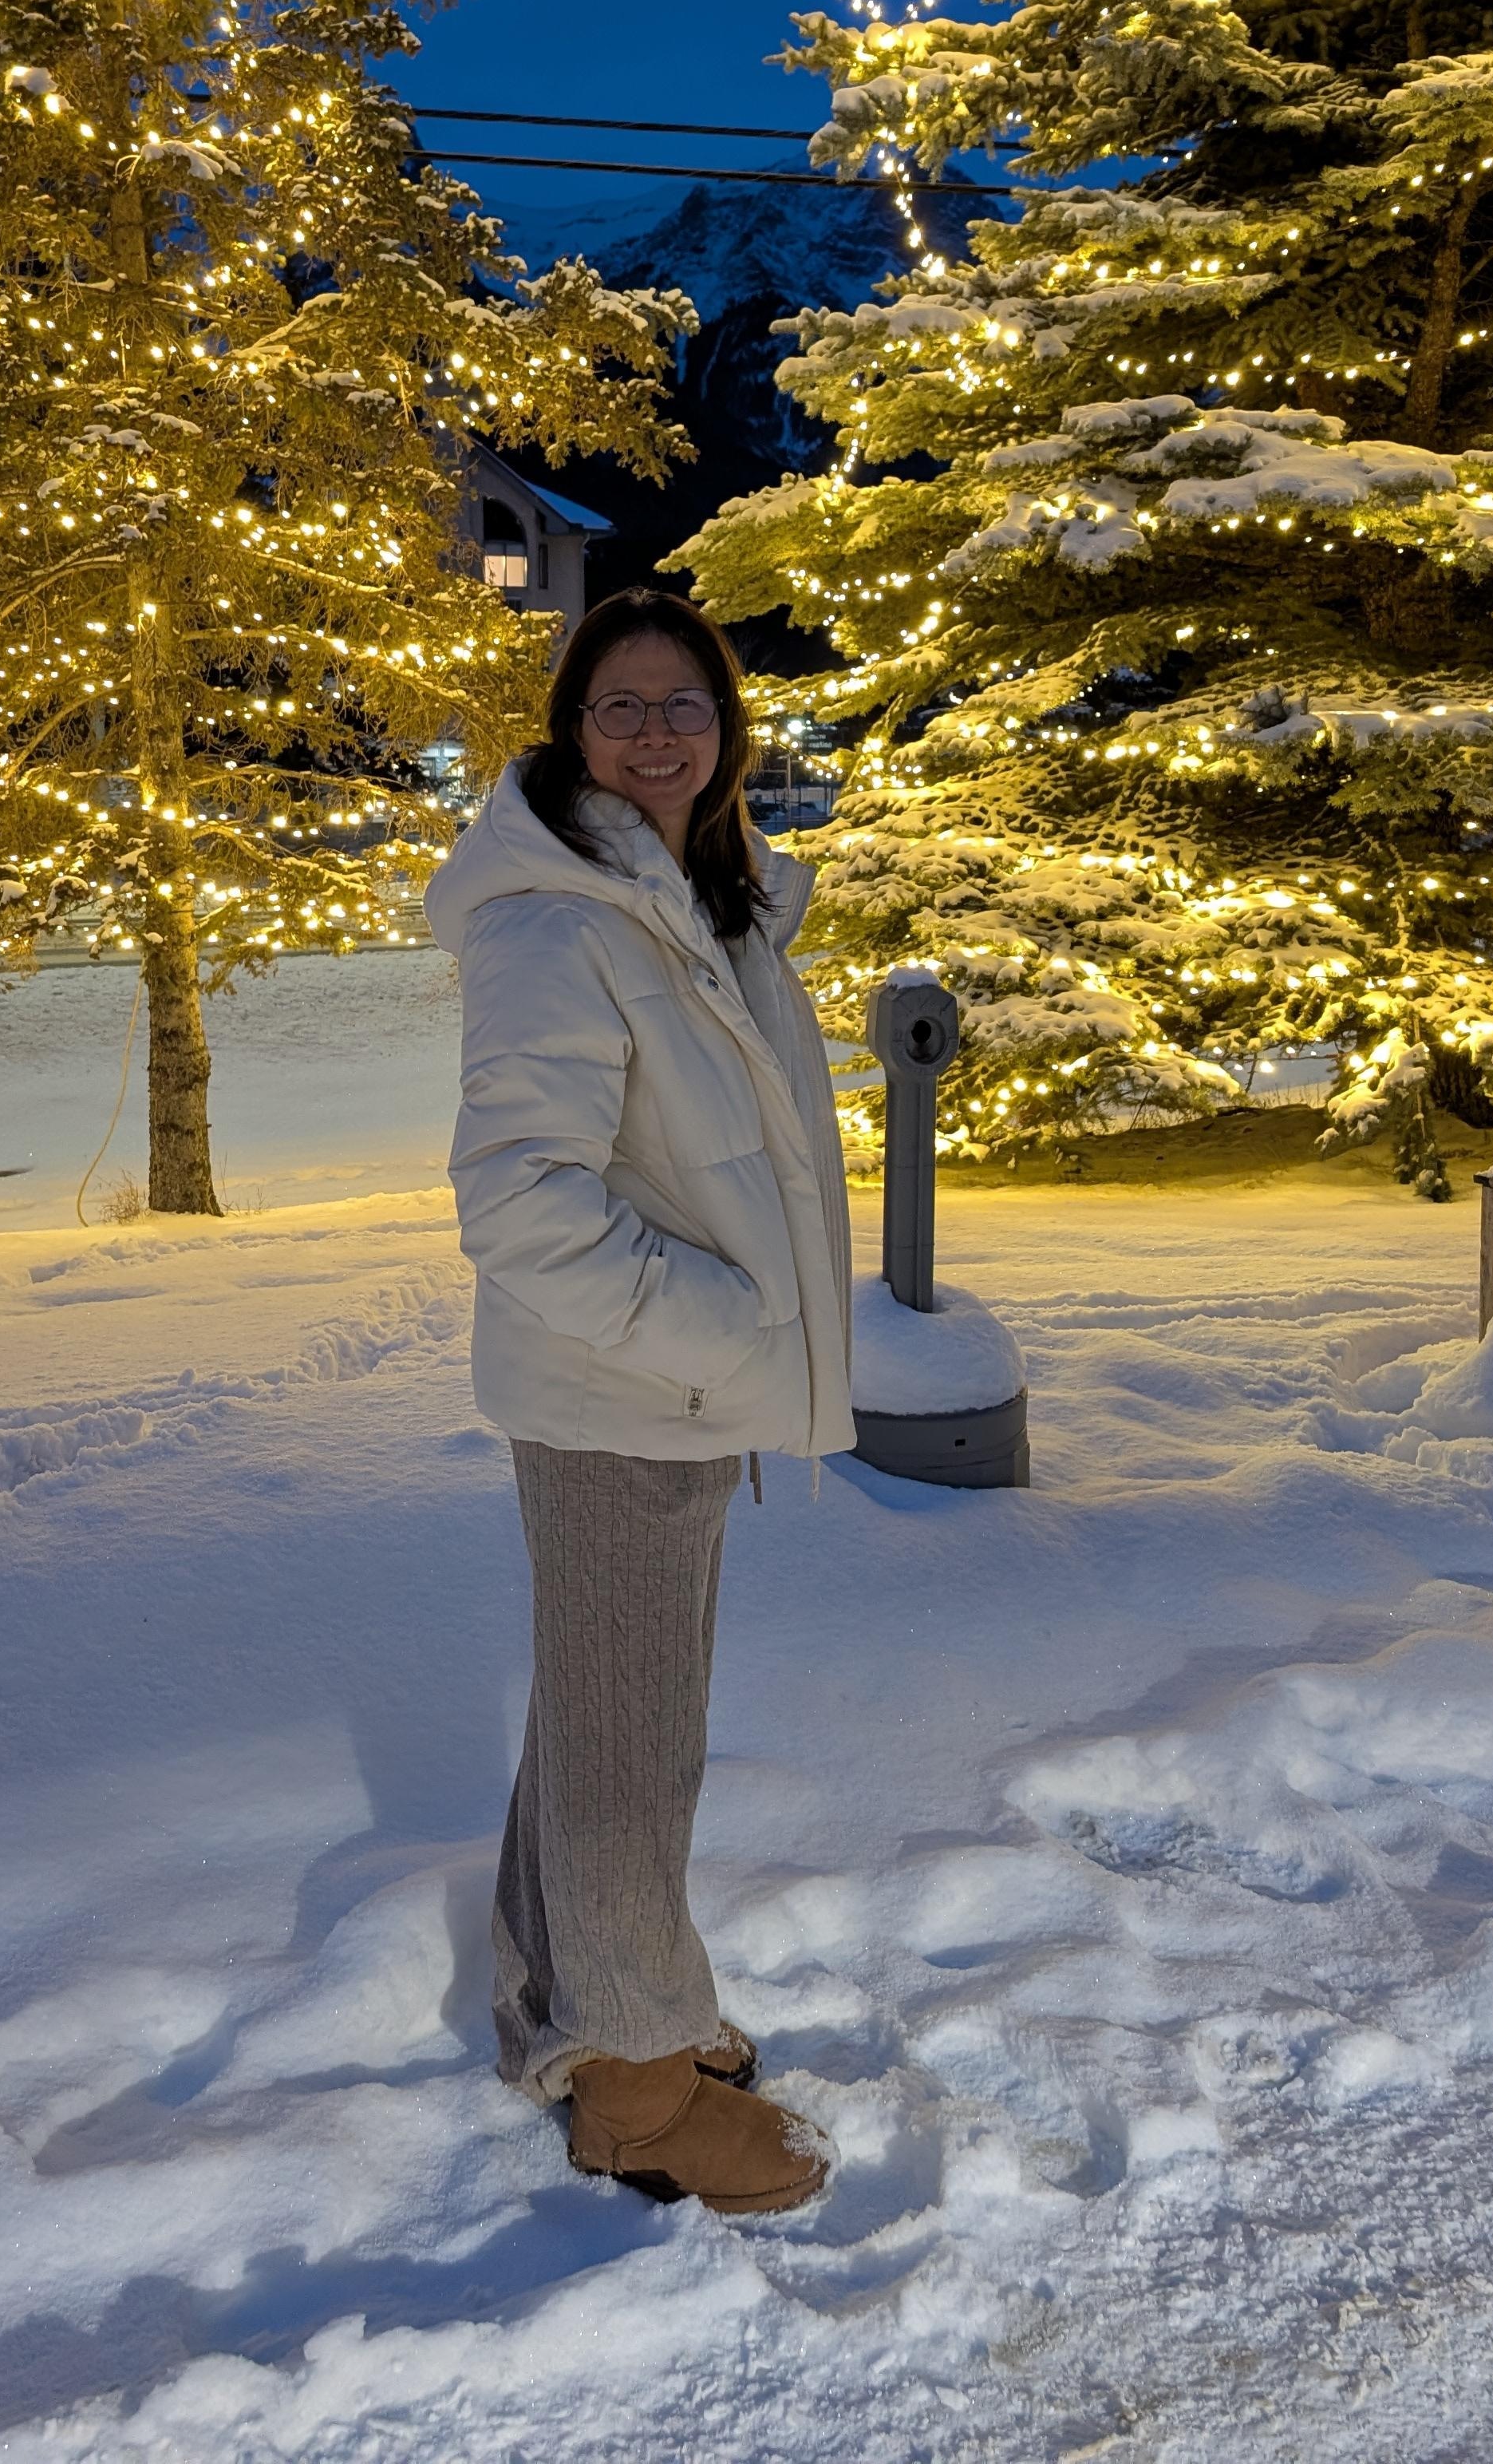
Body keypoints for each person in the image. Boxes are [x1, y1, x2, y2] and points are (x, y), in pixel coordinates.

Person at [425, 588, 854, 2217]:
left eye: (687, 705)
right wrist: (721, 1335)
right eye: (621, 707)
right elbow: (519, 1202)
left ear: (727, 728)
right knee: (628, 1757)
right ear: (572, 732)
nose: (657, 734)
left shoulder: (698, 896)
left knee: (601, 1717)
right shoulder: (560, 922)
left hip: (673, 1385)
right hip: (626, 1391)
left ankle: (581, 1999)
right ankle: (635, 2090)